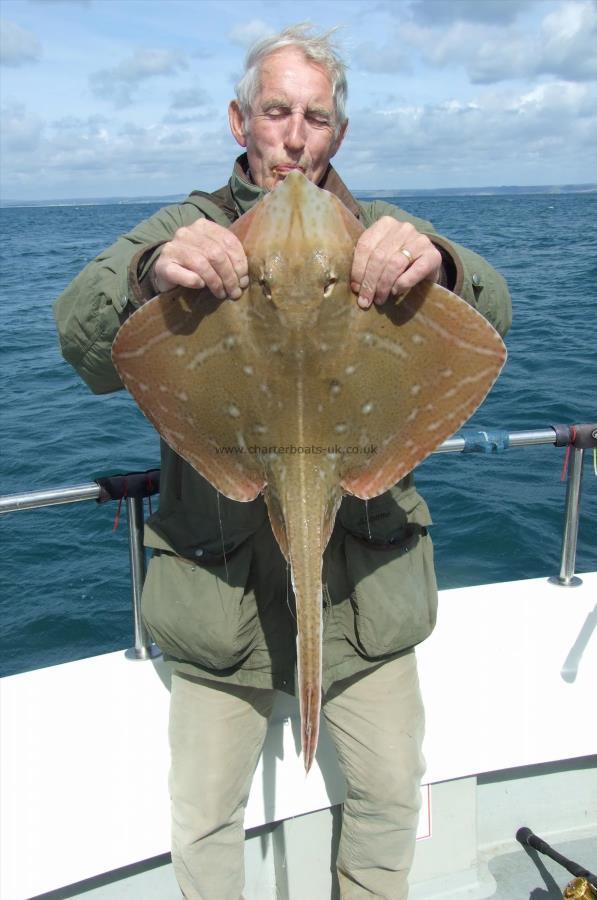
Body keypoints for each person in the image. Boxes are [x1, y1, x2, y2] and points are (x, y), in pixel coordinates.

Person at [54, 24, 511, 900]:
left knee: (386, 797)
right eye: (276, 112)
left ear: (337, 131)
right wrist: (153, 272)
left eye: (315, 116)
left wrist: (445, 264)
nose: (295, 135)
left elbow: (497, 311)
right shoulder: (183, 228)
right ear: (240, 120)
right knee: (204, 818)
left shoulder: (385, 232)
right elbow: (82, 338)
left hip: (366, 598)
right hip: (217, 600)